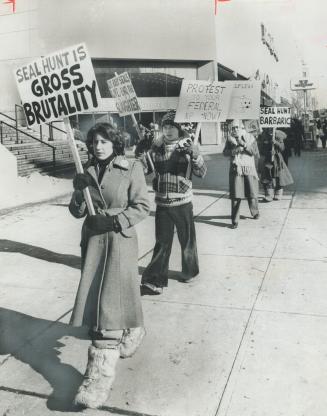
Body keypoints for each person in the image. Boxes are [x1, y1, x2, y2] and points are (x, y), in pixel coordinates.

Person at [69, 122, 150, 409]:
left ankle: (98, 378)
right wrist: (79, 192)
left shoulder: (132, 167)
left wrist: (116, 221)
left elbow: (142, 206)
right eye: (94, 142)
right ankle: (133, 325)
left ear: (115, 143)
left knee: (110, 306)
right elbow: (76, 211)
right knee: (102, 302)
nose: (98, 146)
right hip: (93, 243)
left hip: (118, 241)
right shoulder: (86, 171)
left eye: (104, 141)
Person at [136, 110, 207, 295]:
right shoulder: (155, 148)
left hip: (183, 201)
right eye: (165, 127)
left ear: (179, 129)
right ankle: (155, 281)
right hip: (162, 203)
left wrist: (195, 156)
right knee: (162, 242)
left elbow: (202, 172)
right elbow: (144, 171)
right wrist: (141, 153)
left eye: (172, 127)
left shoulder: (188, 146)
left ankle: (190, 270)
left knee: (187, 240)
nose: (168, 131)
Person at [223, 119, 260, 229]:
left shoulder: (250, 137)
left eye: (237, 127)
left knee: (252, 193)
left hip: (249, 169)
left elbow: (255, 153)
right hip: (236, 170)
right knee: (236, 195)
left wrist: (243, 144)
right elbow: (225, 153)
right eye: (233, 128)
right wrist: (234, 151)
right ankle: (235, 221)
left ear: (242, 127)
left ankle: (255, 212)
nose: (235, 130)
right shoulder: (230, 139)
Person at [258, 128, 294, 202]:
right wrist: (268, 151)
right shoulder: (264, 136)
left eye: (271, 129)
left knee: (279, 177)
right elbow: (261, 149)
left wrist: (276, 143)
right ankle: (269, 195)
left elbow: (282, 148)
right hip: (268, 159)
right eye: (269, 129)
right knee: (267, 176)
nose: (270, 131)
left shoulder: (278, 135)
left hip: (277, 160)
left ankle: (278, 193)